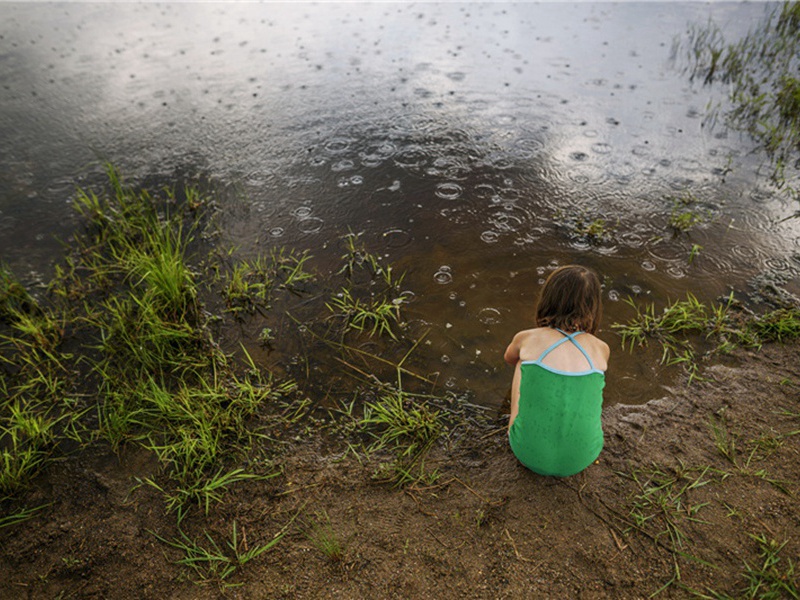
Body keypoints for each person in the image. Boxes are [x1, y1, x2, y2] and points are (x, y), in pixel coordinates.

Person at [504, 265, 610, 477]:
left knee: (521, 363)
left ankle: (514, 425)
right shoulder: (601, 348)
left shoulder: (527, 338)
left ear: (547, 300)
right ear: (594, 307)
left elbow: (508, 358)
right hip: (583, 458)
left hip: (527, 453)